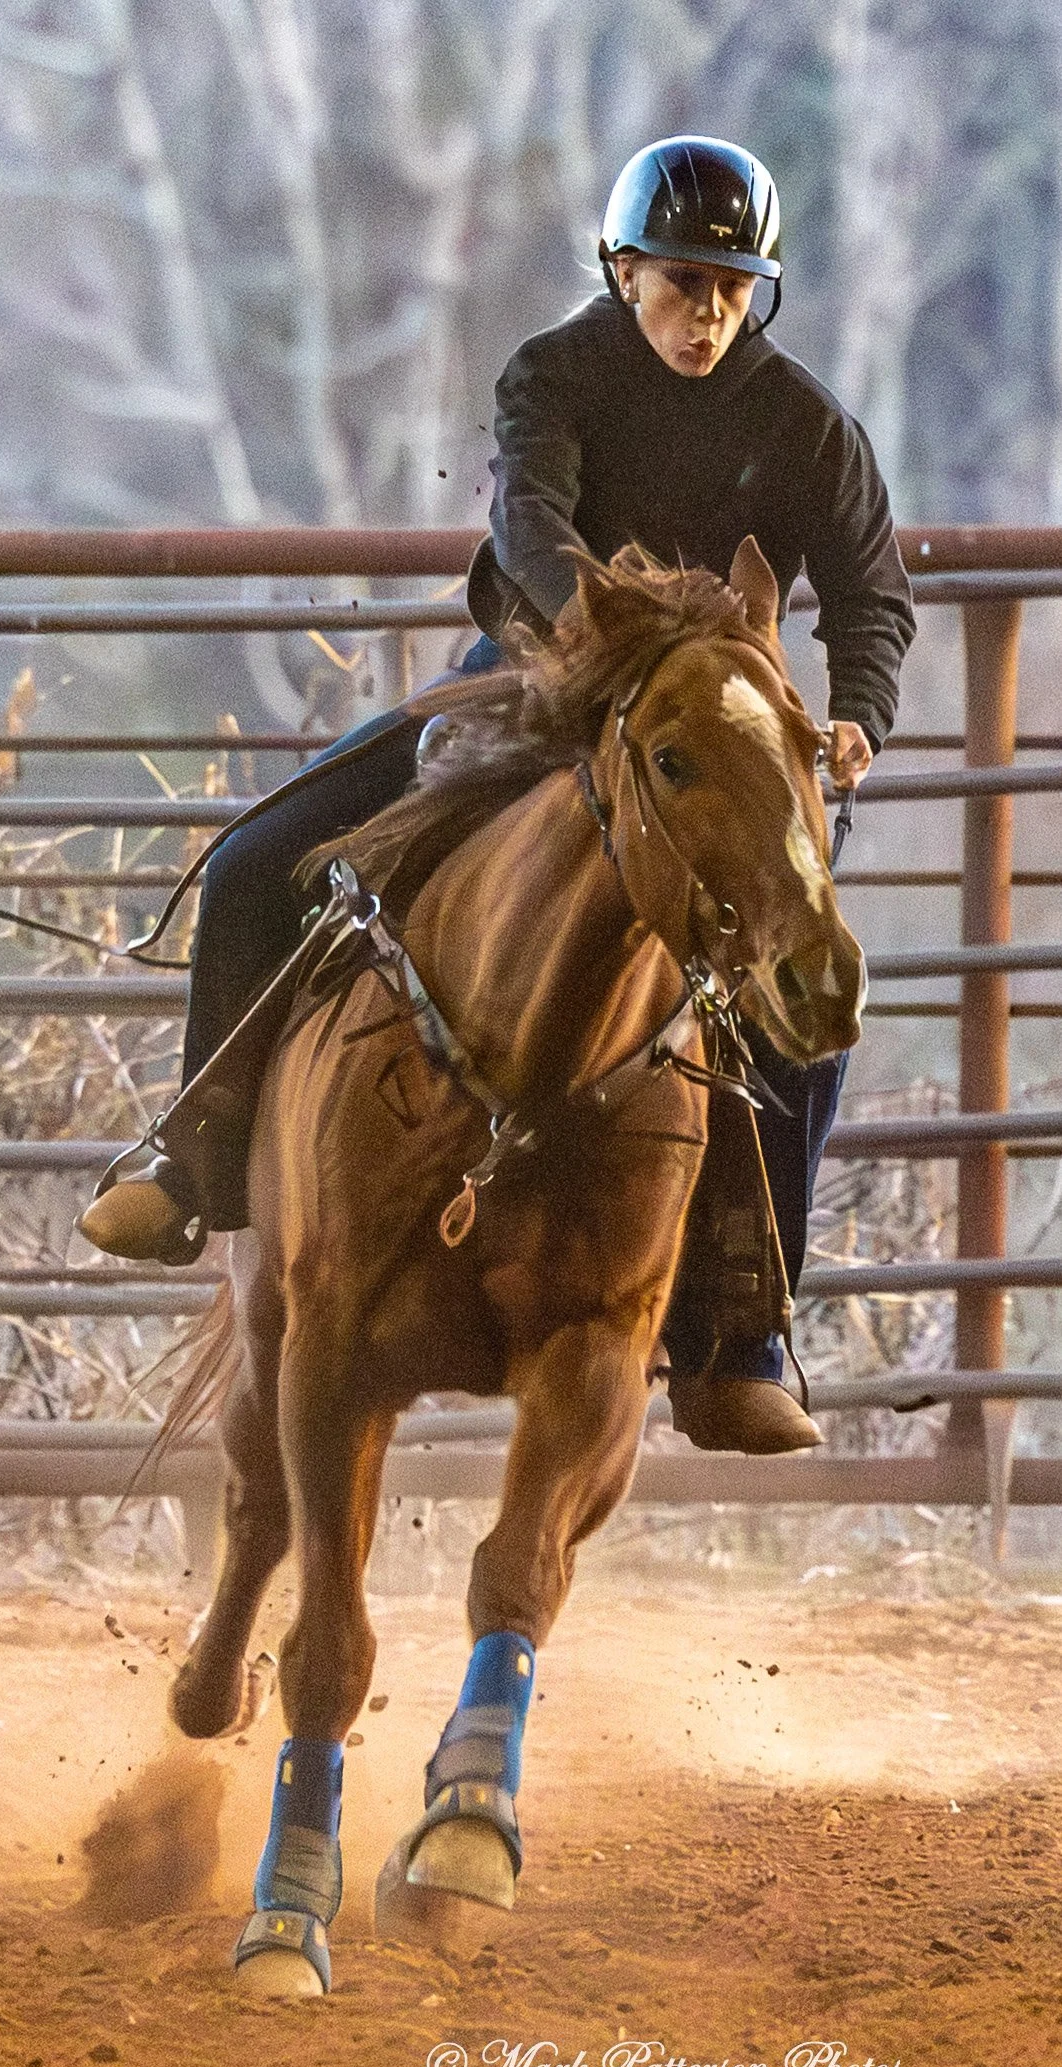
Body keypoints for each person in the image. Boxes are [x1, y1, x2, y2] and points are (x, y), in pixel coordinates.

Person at [79, 134, 915, 1454]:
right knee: (258, 861)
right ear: (623, 270)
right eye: (681, 282)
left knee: (805, 989)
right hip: (538, 676)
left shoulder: (808, 426)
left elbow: (871, 592)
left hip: (718, 740)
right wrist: (608, 642)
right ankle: (196, 1156)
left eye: (730, 288)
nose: (706, 313)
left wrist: (858, 711)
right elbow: (532, 527)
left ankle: (737, 1337)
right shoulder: (553, 374)